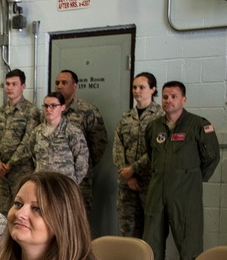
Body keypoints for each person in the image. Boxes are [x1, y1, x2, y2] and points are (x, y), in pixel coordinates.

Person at [140, 81, 220, 260]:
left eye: (174, 96)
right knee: (151, 242)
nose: (168, 101)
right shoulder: (154, 127)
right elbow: (151, 155)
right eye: (165, 97)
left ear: (184, 99)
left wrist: (191, 178)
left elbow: (212, 157)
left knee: (189, 244)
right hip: (157, 191)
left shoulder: (198, 125)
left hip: (186, 194)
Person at [113, 72, 162, 240]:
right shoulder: (126, 117)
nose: (137, 91)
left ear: (153, 89)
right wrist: (127, 175)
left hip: (150, 182)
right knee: (129, 233)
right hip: (127, 184)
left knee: (152, 233)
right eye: (135, 87)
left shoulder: (161, 117)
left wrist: (133, 169)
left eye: (142, 87)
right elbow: (118, 147)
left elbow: (157, 150)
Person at [54, 70, 107, 216]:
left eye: (64, 83)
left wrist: (83, 165)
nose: (59, 86)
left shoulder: (87, 111)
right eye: (57, 83)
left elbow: (99, 143)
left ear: (75, 86)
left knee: (78, 219)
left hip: (79, 179)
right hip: (54, 178)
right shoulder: (50, 110)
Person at [0, 69, 40, 213]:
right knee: (0, 213)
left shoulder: (31, 111)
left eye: (14, 84)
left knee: (21, 211)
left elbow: (28, 142)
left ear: (23, 86)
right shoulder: (0, 112)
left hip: (21, 172)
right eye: (7, 84)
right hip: (1, 173)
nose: (10, 88)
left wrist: (10, 164)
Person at [23, 92, 89, 184]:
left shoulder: (72, 132)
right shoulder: (36, 132)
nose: (49, 109)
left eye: (53, 106)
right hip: (42, 184)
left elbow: (82, 163)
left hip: (64, 185)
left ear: (62, 107)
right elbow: (32, 157)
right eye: (46, 106)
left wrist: (72, 184)